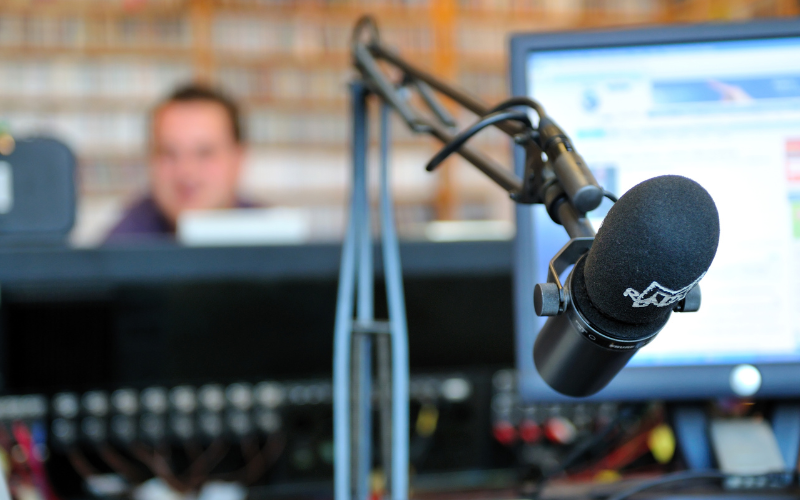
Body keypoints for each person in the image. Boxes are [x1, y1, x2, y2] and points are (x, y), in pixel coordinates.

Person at [105, 84, 253, 243]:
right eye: (169, 153)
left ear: (238, 159)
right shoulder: (122, 243)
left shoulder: (272, 240)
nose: (185, 171)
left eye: (204, 153)